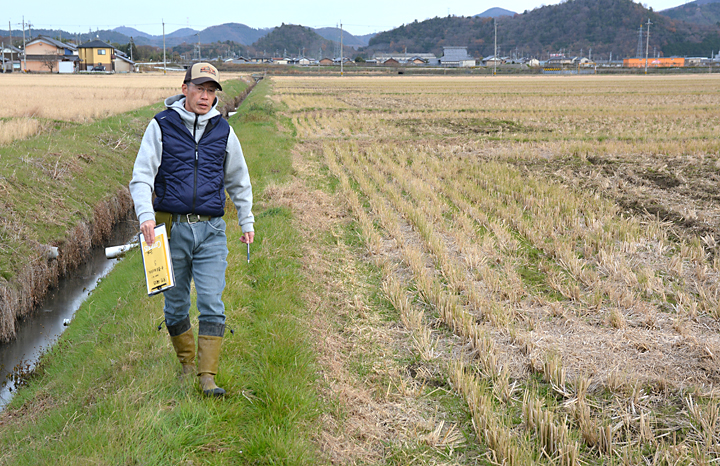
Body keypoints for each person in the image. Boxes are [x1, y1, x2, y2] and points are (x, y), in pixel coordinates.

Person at [129, 62, 254, 397]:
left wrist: (246, 220)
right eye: (200, 88)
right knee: (175, 305)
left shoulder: (223, 131)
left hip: (211, 231)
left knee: (213, 302)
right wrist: (145, 215)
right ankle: (186, 365)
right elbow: (142, 176)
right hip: (171, 231)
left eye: (212, 91)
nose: (206, 96)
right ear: (184, 89)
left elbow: (238, 179)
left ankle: (207, 377)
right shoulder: (161, 125)